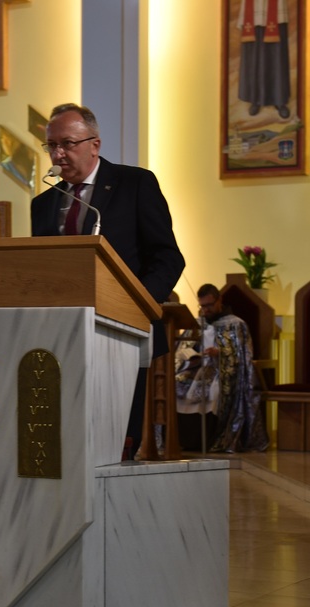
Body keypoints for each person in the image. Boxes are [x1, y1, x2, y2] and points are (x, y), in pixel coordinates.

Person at [31, 103, 185, 459]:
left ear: (94, 144)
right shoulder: (43, 204)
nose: (58, 154)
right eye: (51, 146)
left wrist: (138, 304)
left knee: (116, 443)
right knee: (67, 443)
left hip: (121, 332)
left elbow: (167, 257)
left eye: (67, 144)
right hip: (60, 336)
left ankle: (115, 505)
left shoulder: (135, 184)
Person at [175, 284, 268, 453]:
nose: (206, 310)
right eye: (202, 306)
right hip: (197, 368)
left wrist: (220, 353)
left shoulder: (236, 324)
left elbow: (243, 356)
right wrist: (192, 355)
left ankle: (214, 440)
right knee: (177, 386)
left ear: (219, 301)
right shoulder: (195, 323)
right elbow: (181, 348)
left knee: (215, 392)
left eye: (209, 305)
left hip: (222, 370)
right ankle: (186, 441)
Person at [236, 0, 292, 119]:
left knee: (277, 59)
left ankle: (279, 99)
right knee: (254, 59)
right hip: (253, 16)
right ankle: (255, 99)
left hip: (276, 14)